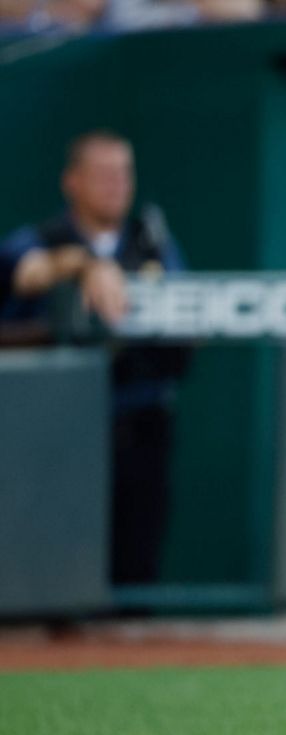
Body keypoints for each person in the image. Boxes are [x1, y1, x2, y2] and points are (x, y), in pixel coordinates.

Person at [0, 130, 185, 583]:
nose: (116, 185)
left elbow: (188, 313)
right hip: (54, 432)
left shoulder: (152, 242)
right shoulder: (40, 238)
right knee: (53, 565)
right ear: (73, 182)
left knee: (136, 559)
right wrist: (85, 265)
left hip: (138, 422)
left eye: (124, 173)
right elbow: (26, 273)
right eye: (103, 174)